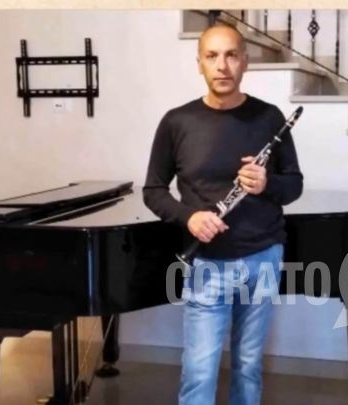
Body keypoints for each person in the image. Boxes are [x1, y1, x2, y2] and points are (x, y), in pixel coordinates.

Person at [142, 23, 303, 405]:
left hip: (262, 257)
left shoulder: (269, 118)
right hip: (206, 263)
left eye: (231, 55)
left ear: (244, 61)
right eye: (212, 56)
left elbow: (294, 185)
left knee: (248, 365)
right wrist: (189, 218)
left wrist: (266, 184)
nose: (222, 65)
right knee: (200, 371)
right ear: (199, 63)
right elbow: (153, 190)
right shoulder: (177, 122)